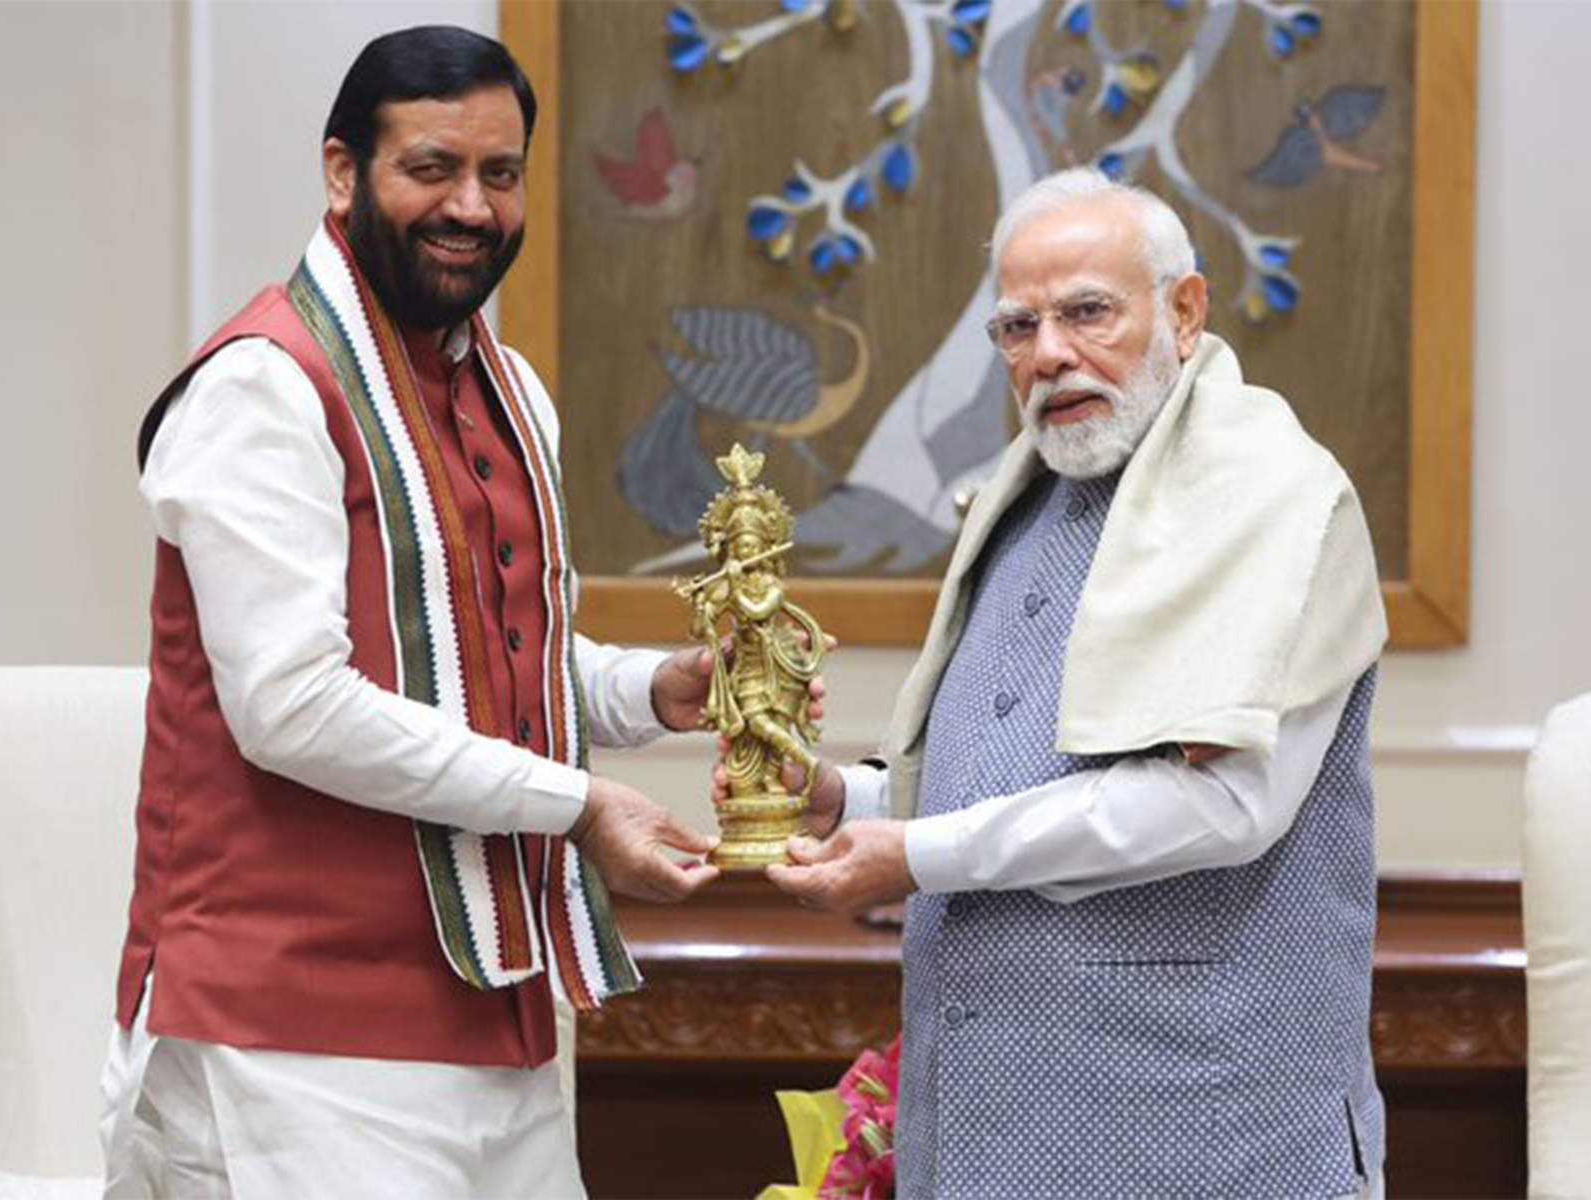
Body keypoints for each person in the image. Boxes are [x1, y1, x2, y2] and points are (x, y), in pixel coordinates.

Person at [101, 26, 734, 1199]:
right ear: (343, 173)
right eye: (430, 168)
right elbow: (290, 706)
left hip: (494, 1007)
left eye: (500, 173)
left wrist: (650, 690)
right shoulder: (261, 385)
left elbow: (489, 659)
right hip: (294, 1029)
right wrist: (579, 803)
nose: (472, 206)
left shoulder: (506, 385)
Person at [764, 167, 1389, 1198]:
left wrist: (917, 853)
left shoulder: (1272, 495)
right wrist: (848, 800)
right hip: (978, 1139)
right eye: (1017, 327)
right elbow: (1015, 772)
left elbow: (1221, 803)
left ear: (1184, 311)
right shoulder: (1022, 502)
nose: (1049, 353)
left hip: (1206, 1139)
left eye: (1087, 312)